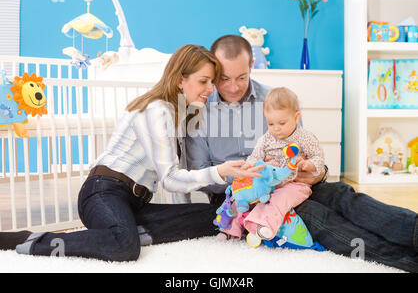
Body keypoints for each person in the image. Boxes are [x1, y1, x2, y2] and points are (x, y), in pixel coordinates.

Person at [0, 44, 264, 262]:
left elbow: (181, 174)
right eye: (204, 81)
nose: (211, 89)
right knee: (125, 248)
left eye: (211, 82)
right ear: (180, 79)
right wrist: (220, 171)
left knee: (216, 217)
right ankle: (30, 240)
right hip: (102, 192)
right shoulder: (157, 110)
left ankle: (129, 229)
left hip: (135, 201)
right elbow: (171, 179)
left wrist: (187, 210)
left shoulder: (184, 112)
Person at [186, 35, 418, 272]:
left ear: (251, 66)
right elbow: (199, 176)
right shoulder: (199, 112)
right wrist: (253, 178)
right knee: (316, 215)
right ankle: (402, 259)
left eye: (241, 77)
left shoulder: (276, 99)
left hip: (292, 182)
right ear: (214, 71)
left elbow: (304, 150)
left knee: (342, 194)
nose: (233, 87)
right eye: (224, 78)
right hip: (242, 199)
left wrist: (317, 173)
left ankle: (414, 232)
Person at [218, 87, 325, 247]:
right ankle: (229, 229)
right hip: (269, 183)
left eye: (282, 123)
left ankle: (262, 225)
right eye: (271, 123)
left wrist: (309, 164)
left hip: (295, 184)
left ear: (296, 117)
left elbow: (318, 157)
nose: (276, 128)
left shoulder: (305, 138)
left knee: (279, 200)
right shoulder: (266, 139)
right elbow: (255, 156)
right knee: (240, 196)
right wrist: (249, 166)